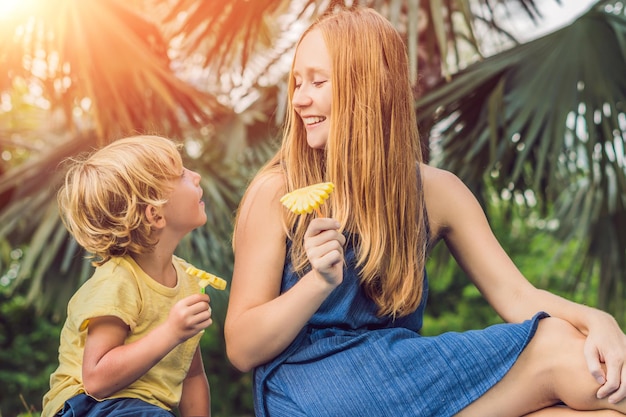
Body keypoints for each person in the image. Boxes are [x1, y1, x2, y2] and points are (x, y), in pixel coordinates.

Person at [224, 6, 626, 417]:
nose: (299, 98)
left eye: (317, 81)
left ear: (368, 88)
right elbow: (241, 348)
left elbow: (518, 295)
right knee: (561, 350)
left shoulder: (437, 192)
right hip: (312, 389)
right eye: (297, 82)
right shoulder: (277, 191)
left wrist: (599, 321)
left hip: (401, 377)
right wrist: (316, 284)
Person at [42, 135, 214, 417]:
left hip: (145, 410)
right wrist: (171, 332)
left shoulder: (189, 281)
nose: (196, 177)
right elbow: (96, 380)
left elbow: (192, 374)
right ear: (155, 215)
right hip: (89, 406)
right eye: (181, 174)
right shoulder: (118, 280)